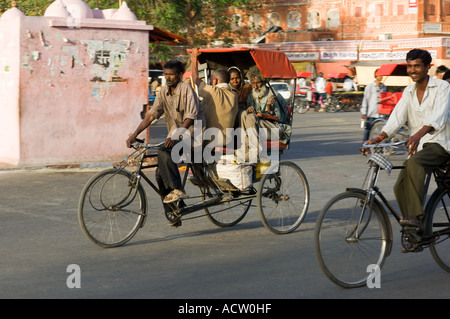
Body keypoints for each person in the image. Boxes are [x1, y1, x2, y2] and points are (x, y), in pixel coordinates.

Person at [363, 49, 450, 237]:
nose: (412, 70)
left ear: (428, 67)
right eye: (410, 66)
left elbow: (438, 117)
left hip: (439, 143)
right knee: (399, 186)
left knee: (413, 163)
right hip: (417, 146)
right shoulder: (408, 91)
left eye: (417, 66)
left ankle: (417, 216)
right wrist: (378, 138)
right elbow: (396, 118)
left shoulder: (442, 87)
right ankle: (413, 230)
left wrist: (418, 135)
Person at [126, 59, 206, 211]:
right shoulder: (163, 92)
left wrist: (175, 136)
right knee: (159, 174)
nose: (168, 77)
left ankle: (178, 190)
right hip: (176, 136)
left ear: (180, 75)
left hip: (193, 135)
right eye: (166, 74)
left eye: (171, 75)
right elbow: (151, 115)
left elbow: (190, 117)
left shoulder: (186, 90)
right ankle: (175, 210)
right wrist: (134, 134)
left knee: (163, 151)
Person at [240, 65, 291, 162]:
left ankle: (254, 151)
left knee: (251, 120)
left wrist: (268, 107)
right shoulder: (251, 96)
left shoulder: (272, 95)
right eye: (253, 83)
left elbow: (279, 118)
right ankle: (245, 149)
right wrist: (250, 110)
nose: (255, 86)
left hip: (277, 129)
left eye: (258, 83)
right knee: (244, 115)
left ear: (263, 82)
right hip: (260, 126)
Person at [191, 49, 238, 148]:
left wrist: (194, 57)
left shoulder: (213, 92)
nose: (209, 82)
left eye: (211, 79)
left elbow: (195, 79)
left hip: (210, 143)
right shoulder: (234, 96)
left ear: (215, 81)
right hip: (227, 142)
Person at [360, 69, 387, 141]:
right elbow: (365, 99)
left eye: (382, 75)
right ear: (376, 76)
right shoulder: (369, 87)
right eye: (380, 75)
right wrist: (364, 112)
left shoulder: (384, 87)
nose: (381, 77)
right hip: (372, 112)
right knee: (368, 129)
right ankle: (364, 145)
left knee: (381, 132)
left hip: (381, 112)